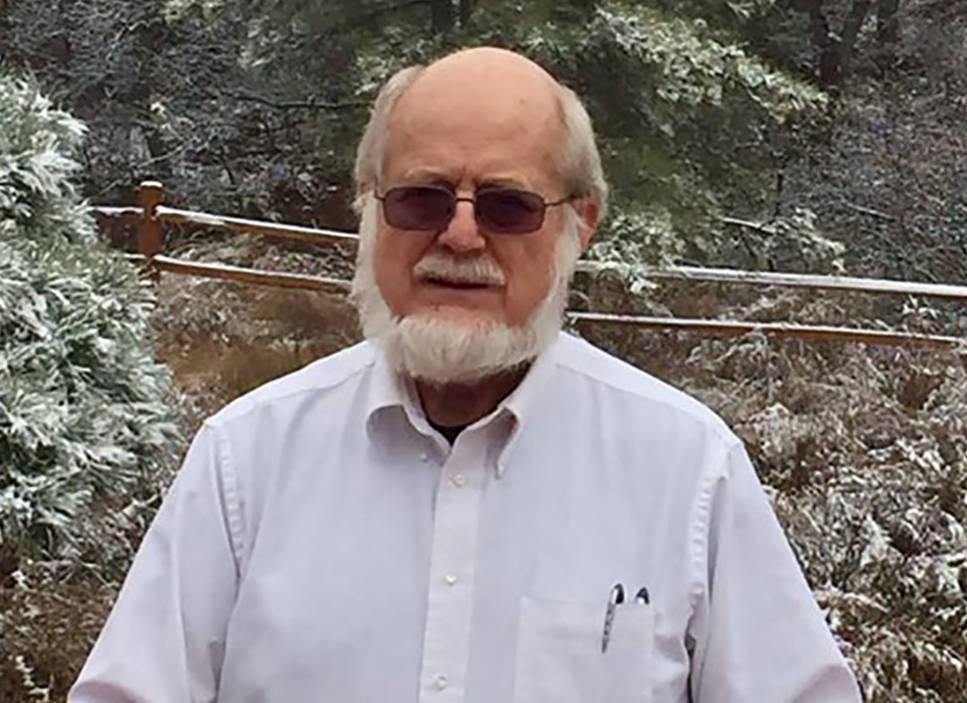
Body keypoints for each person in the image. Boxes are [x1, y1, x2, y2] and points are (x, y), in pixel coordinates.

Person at [70, 47, 862, 702]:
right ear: (368, 205)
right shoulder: (245, 461)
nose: (459, 234)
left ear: (579, 223)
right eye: (421, 199)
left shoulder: (687, 470)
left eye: (508, 207)